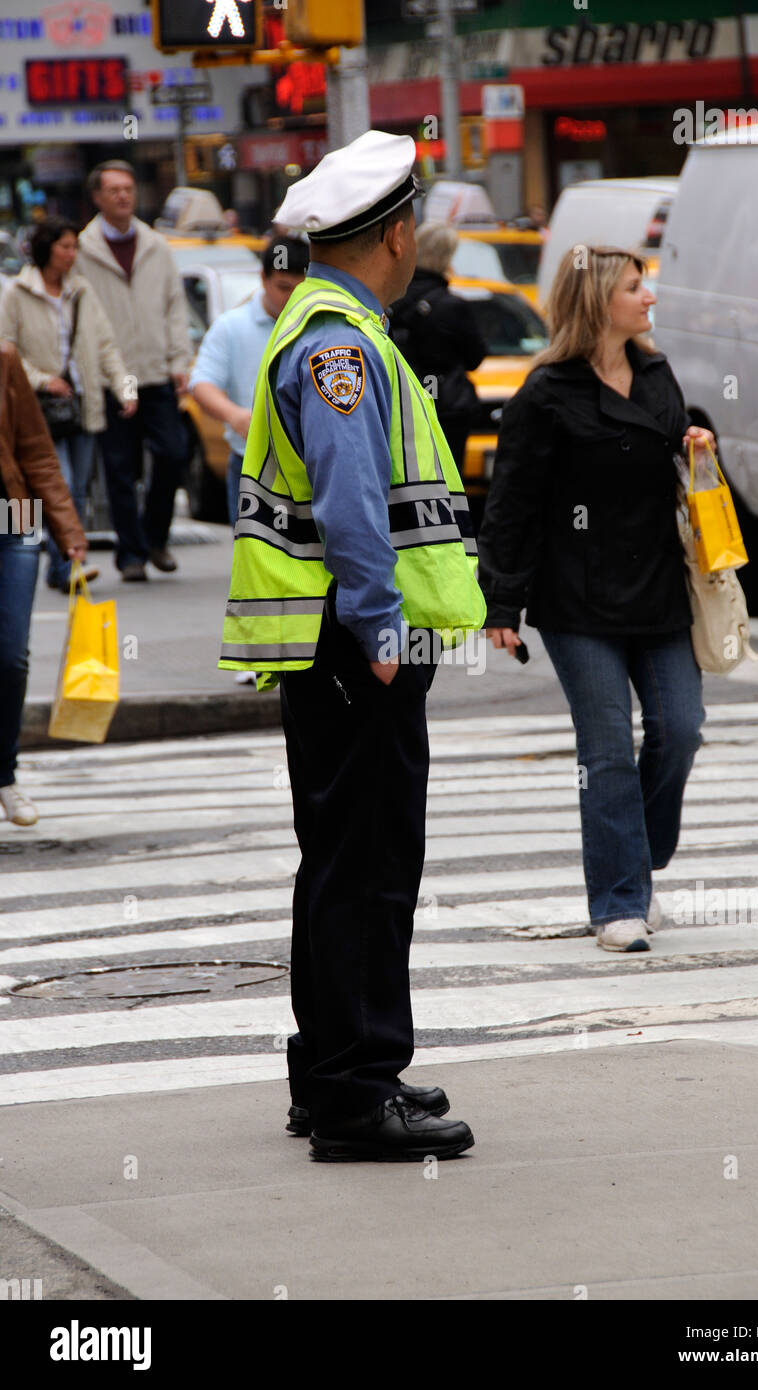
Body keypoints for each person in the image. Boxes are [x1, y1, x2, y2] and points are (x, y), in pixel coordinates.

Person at [218, 130, 486, 1161]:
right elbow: (349, 503)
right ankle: (350, 1092)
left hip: (335, 639)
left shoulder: (324, 326)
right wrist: (379, 623)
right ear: (396, 232)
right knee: (365, 862)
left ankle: (338, 1067)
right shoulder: (338, 342)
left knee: (342, 858)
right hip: (353, 640)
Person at [479, 245, 715, 954]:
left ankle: (636, 862)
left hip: (658, 589)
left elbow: (674, 461)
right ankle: (618, 900)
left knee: (681, 728)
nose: (648, 298)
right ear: (596, 302)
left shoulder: (654, 371)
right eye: (635, 288)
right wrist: (501, 605)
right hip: (577, 599)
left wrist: (701, 444)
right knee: (607, 747)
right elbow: (511, 502)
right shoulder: (547, 391)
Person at [0, 216, 137, 594]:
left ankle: (62, 564)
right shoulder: (16, 293)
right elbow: (7, 351)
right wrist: (44, 380)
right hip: (37, 409)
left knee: (71, 487)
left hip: (80, 404)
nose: (72, 254)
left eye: (75, 246)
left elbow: (108, 346)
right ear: (46, 249)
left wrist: (126, 388)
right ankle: (64, 564)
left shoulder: (81, 291)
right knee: (59, 484)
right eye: (65, 246)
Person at [76, 160, 192, 582]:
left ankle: (155, 537)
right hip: (114, 376)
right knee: (120, 469)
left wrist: (180, 360)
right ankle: (132, 555)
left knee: (174, 453)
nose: (124, 195)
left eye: (129, 188)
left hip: (157, 369)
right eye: (114, 189)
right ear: (98, 197)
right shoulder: (83, 250)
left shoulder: (156, 245)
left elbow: (175, 308)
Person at [0, 343, 89, 826]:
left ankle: (5, 775)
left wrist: (69, 533)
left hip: (12, 521)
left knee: (10, 658)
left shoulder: (4, 359)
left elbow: (36, 449)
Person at [189, 236, 309, 528]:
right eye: (283, 288)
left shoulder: (317, 325)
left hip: (308, 465)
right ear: (263, 279)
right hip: (251, 465)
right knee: (252, 556)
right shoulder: (232, 326)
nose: (290, 298)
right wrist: (235, 415)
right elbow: (202, 383)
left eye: (299, 289)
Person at [388, 219, 486, 477]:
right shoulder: (452, 306)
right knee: (450, 479)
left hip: (400, 402)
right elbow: (475, 357)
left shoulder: (392, 297)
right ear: (447, 258)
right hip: (448, 406)